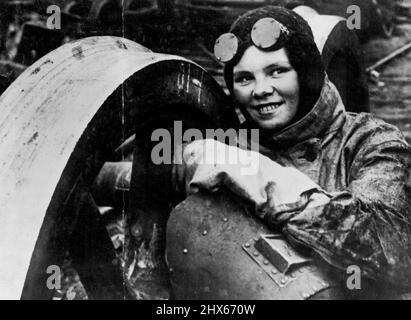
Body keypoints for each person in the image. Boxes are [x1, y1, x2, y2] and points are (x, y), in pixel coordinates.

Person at [168, 5, 411, 297]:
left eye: (277, 71)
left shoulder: (372, 141)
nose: (260, 90)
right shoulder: (231, 145)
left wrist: (255, 176)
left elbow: (389, 250)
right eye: (244, 78)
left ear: (306, 74)